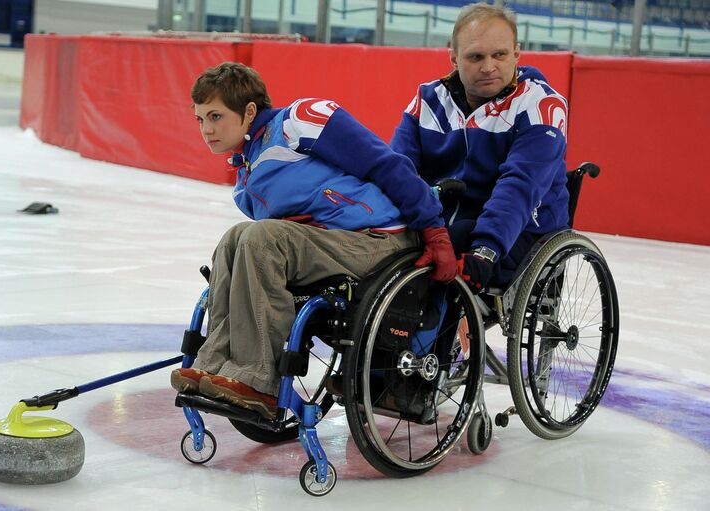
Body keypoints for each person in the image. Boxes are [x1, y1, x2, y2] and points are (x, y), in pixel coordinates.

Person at [170, 62, 457, 419]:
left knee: (260, 238)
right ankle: (215, 364)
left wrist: (433, 228)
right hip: (332, 245)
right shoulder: (246, 182)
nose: (206, 130)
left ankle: (258, 379)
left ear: (248, 112)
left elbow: (387, 164)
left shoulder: (301, 120)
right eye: (200, 119)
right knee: (235, 238)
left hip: (379, 238)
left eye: (215, 117)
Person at [391, 2, 570, 293]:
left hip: (519, 229)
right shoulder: (426, 100)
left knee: (452, 243)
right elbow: (398, 170)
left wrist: (486, 248)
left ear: (516, 54)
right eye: (475, 57)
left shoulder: (542, 105)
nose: (489, 67)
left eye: (499, 55)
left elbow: (519, 187)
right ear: (454, 58)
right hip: (439, 221)